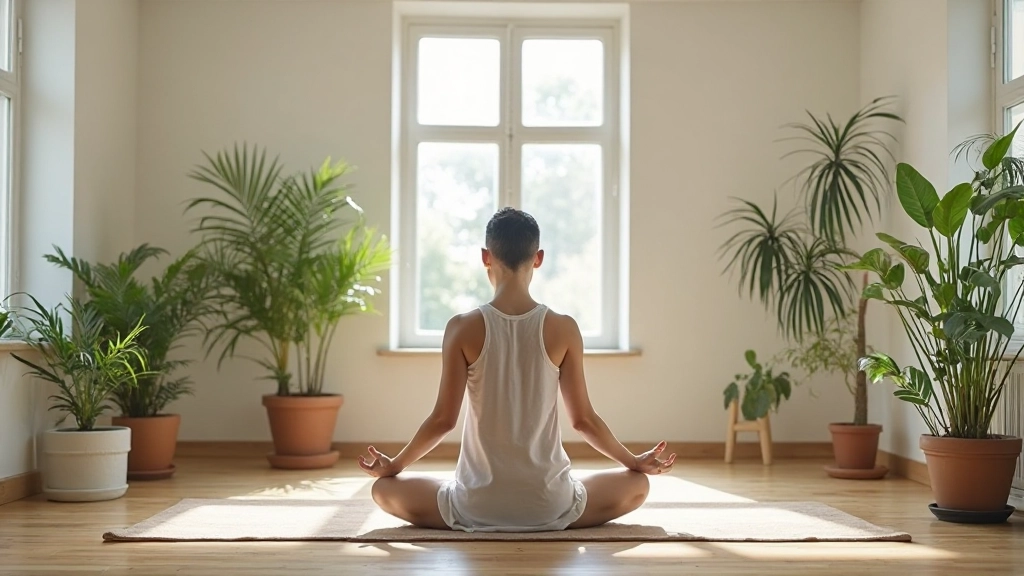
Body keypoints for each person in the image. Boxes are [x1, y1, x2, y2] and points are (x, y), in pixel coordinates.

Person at [358, 207, 676, 532]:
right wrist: (634, 462)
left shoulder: (461, 328)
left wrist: (395, 465)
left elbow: (443, 421)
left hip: (475, 506)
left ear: (486, 256)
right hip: (549, 504)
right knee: (638, 484)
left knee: (383, 490)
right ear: (538, 258)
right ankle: (550, 512)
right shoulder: (563, 329)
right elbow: (584, 420)